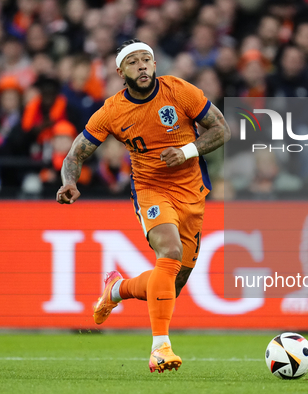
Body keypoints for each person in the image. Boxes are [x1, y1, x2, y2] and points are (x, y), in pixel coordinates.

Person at [55, 39, 230, 373]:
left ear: (154, 64)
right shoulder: (112, 110)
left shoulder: (179, 91)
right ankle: (160, 348)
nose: (142, 66)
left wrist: (187, 151)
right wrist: (69, 181)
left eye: (146, 60)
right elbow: (77, 152)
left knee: (172, 284)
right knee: (170, 252)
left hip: (191, 191)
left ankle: (116, 290)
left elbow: (222, 129)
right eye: (133, 62)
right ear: (121, 72)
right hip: (151, 189)